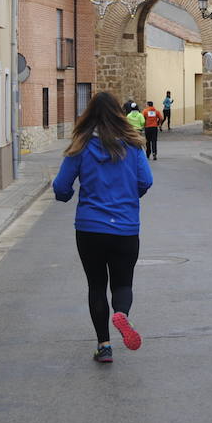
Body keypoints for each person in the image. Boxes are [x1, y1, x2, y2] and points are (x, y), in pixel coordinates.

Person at [52, 91, 153, 363]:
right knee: (123, 284)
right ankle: (121, 314)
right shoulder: (133, 145)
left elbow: (62, 187)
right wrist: (128, 199)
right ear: (119, 114)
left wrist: (66, 196)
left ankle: (104, 345)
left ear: (90, 115)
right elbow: (146, 181)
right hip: (125, 227)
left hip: (90, 228)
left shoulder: (81, 144)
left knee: (96, 286)